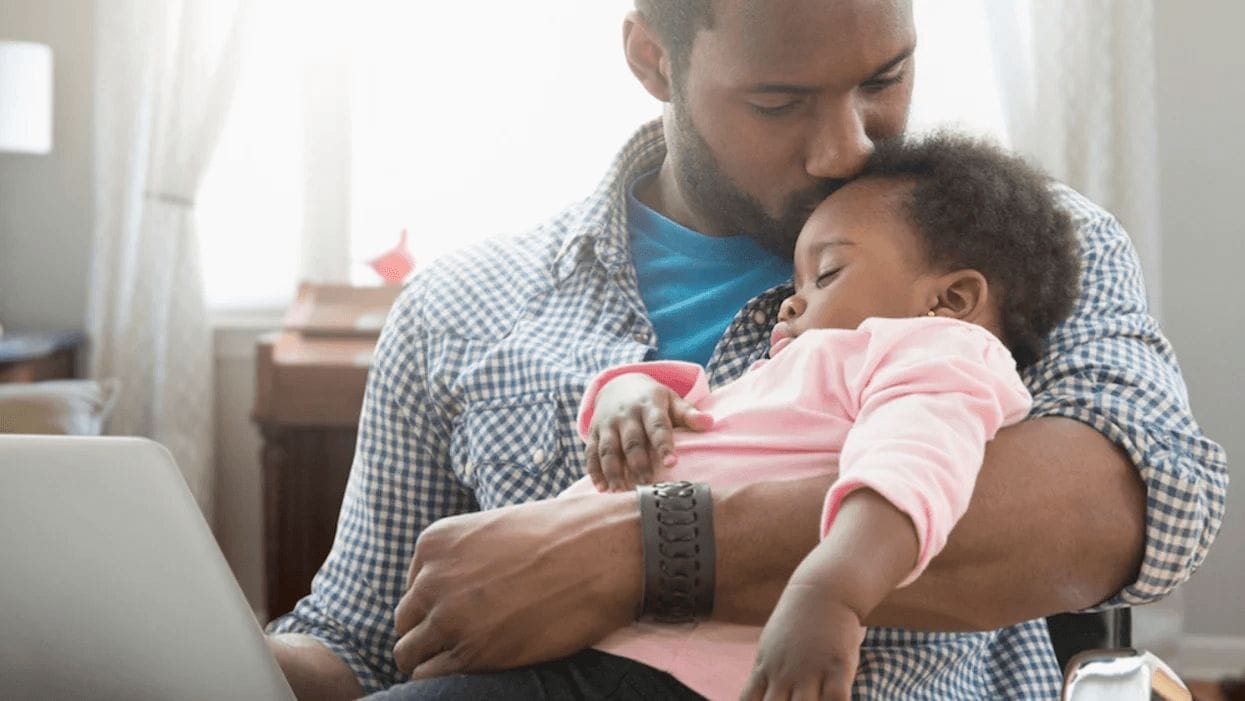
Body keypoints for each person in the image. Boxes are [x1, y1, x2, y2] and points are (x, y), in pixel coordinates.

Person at [266, 2, 1228, 700]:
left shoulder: (1016, 243)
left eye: (884, 79)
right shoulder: (459, 310)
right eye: (777, 102)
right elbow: (360, 643)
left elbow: (1139, 508)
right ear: (654, 59)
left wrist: (643, 550)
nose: (845, 149)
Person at [565, 132, 1080, 700]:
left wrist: (830, 591)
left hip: (644, 666)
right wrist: (631, 390)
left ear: (950, 301)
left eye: (827, 273)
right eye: (796, 282)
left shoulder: (939, 350)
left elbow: (911, 465)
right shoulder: (810, 367)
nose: (789, 301)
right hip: (571, 632)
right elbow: (712, 421)